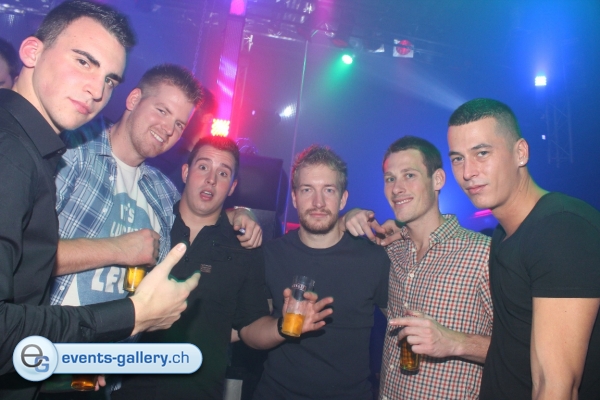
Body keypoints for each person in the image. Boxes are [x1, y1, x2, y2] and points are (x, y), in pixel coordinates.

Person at [0, 1, 198, 398]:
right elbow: (31, 263)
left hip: (93, 373)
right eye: (162, 110)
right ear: (134, 99)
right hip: (36, 367)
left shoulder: (164, 193)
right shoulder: (64, 152)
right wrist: (119, 252)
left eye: (179, 124)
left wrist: (241, 220)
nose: (168, 129)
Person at [114, 136, 333, 399]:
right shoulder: (149, 223)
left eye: (223, 173)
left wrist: (282, 326)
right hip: (122, 390)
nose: (211, 180)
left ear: (232, 187)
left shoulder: (243, 246)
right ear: (185, 172)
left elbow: (250, 328)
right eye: (203, 167)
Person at [447, 98, 600, 399]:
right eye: (457, 158)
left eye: (481, 153)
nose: (467, 172)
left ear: (520, 152)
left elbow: (555, 385)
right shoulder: (503, 233)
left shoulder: (562, 229)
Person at [344, 136, 493, 400]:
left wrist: (454, 342)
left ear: (437, 180)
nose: (397, 188)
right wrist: (347, 216)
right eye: (390, 178)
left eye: (409, 175)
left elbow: (525, 350)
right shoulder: (391, 252)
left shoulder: (482, 254)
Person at [253, 145, 390, 400]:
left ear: (343, 199)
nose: (318, 202)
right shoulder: (270, 255)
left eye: (328, 190)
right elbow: (250, 332)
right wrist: (284, 326)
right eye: (307, 190)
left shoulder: (374, 259)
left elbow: (399, 323)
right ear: (294, 197)